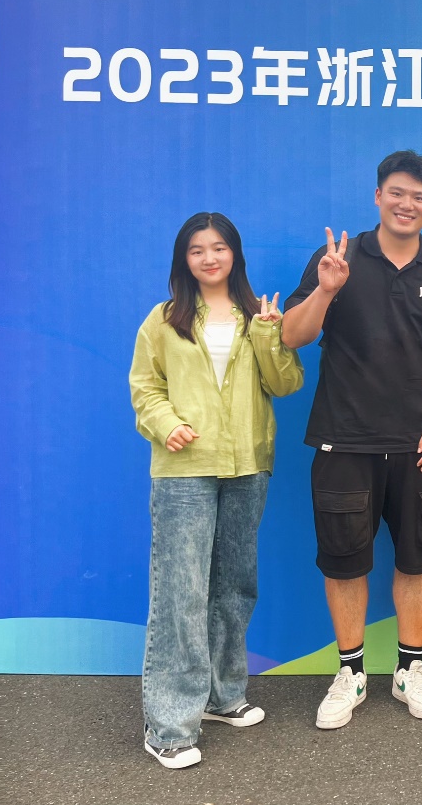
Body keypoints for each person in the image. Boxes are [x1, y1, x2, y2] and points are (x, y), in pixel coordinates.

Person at [281, 150, 422, 729]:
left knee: (419, 558)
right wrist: (325, 291)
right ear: (377, 196)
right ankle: (350, 673)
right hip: (344, 440)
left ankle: (409, 669)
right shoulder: (337, 259)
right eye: (397, 192)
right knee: (344, 562)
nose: (406, 204)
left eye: (419, 197)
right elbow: (292, 336)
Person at [130, 212, 303, 769]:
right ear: (184, 259)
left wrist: (271, 335)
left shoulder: (259, 316)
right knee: (180, 595)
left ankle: (223, 697)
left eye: (220, 247)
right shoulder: (164, 320)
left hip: (247, 464)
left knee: (233, 587)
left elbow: (286, 383)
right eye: (197, 249)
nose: (209, 258)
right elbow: (145, 387)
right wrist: (165, 424)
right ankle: (169, 725)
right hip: (184, 470)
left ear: (235, 255)